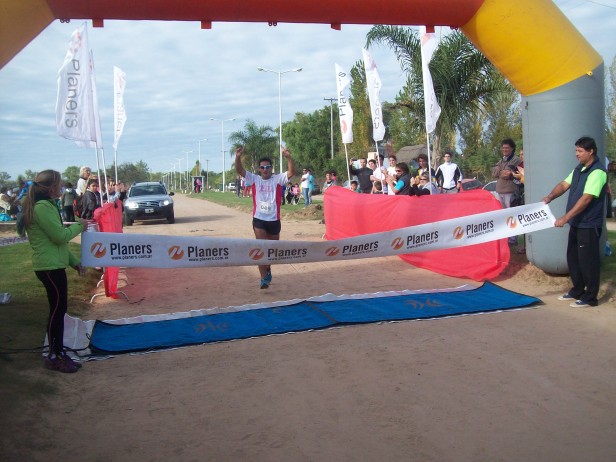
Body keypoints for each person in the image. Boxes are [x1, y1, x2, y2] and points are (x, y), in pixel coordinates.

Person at [17, 170, 88, 373]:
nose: (62, 188)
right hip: (49, 267)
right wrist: (80, 226)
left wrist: (74, 262)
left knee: (59, 310)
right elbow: (59, 236)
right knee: (57, 311)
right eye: (59, 184)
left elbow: (57, 244)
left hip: (53, 265)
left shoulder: (47, 205)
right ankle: (54, 355)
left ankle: (58, 352)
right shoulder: (42, 208)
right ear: (51, 188)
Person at [543, 136, 607, 308]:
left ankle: (590, 297)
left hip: (589, 224)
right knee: (573, 258)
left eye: (580, 151)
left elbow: (586, 199)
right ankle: (578, 290)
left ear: (591, 151)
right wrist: (550, 197)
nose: (576, 154)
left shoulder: (597, 172)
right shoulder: (579, 169)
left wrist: (565, 218)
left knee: (588, 261)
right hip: (577, 223)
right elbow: (564, 185)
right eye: (576, 150)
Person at [235, 146, 295, 289]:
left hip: (274, 219)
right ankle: (263, 279)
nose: (265, 169)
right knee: (261, 248)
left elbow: (292, 172)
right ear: (259, 169)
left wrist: (288, 157)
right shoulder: (255, 179)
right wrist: (237, 157)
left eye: (267, 167)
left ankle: (267, 268)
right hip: (259, 219)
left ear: (271, 168)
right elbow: (240, 170)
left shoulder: (278, 179)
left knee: (272, 251)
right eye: (262, 167)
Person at [492, 139, 522, 244]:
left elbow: (507, 174)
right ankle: (506, 237)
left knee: (512, 215)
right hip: (500, 191)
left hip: (510, 191)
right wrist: (501, 171)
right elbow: (494, 173)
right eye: (503, 148)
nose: (504, 150)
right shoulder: (501, 160)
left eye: (507, 148)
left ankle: (513, 238)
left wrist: (500, 171)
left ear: (512, 148)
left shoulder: (516, 160)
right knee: (503, 216)